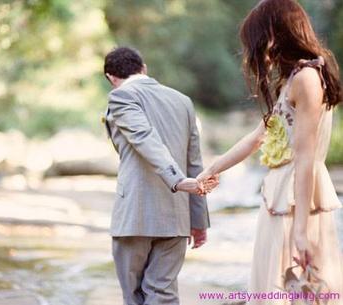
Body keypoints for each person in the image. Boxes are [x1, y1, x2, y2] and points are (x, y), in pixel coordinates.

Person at [197, 0, 343, 304]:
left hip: (295, 201)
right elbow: (256, 138)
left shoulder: (306, 79)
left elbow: (305, 157)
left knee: (295, 290)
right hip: (281, 197)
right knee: (277, 288)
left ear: (277, 34)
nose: (260, 50)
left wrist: (301, 230)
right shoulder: (293, 79)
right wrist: (212, 169)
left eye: (261, 39)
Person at [103, 47, 217, 305]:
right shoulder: (183, 101)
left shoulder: (120, 96)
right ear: (144, 68)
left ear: (111, 77)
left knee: (134, 296)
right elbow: (194, 163)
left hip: (136, 212)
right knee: (162, 293)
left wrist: (175, 179)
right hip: (176, 216)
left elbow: (144, 138)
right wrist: (198, 219)